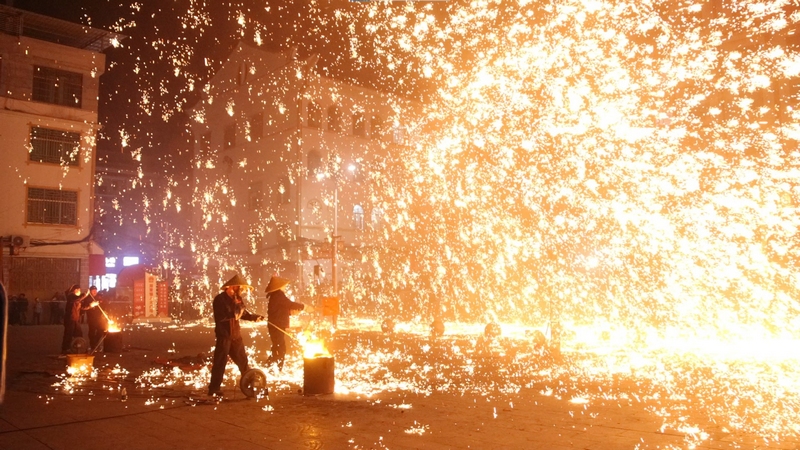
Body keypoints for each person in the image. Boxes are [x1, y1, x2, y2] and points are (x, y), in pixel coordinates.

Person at [207, 274, 264, 397]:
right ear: (232, 287)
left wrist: (254, 317)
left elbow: (242, 314)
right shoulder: (220, 300)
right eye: (239, 288)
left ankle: (251, 385)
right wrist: (236, 307)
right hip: (224, 336)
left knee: (243, 362)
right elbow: (226, 316)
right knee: (220, 363)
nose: (241, 291)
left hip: (236, 336)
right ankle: (214, 388)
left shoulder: (237, 299)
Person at [265, 276, 305, 371]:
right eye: (284, 285)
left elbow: (279, 310)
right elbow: (290, 304)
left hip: (274, 325)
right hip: (277, 325)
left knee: (276, 345)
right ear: (279, 286)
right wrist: (303, 306)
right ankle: (278, 367)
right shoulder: (279, 295)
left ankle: (272, 364)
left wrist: (290, 313)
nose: (285, 287)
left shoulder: (275, 295)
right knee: (280, 347)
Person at [61, 285, 97, 354]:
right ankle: (65, 349)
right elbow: (78, 299)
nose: (80, 292)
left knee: (79, 334)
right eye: (79, 290)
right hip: (70, 319)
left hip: (75, 319)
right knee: (68, 334)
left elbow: (82, 307)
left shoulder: (77, 299)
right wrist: (85, 294)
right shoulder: (71, 296)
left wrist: (91, 305)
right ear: (75, 290)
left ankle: (79, 347)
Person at [85, 286, 108, 351]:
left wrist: (102, 302)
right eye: (93, 290)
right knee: (92, 332)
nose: (95, 292)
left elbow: (104, 304)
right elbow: (85, 306)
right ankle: (93, 345)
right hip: (91, 318)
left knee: (101, 330)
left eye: (95, 290)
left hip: (99, 318)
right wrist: (91, 305)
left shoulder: (99, 297)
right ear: (90, 291)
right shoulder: (88, 298)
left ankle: (96, 343)